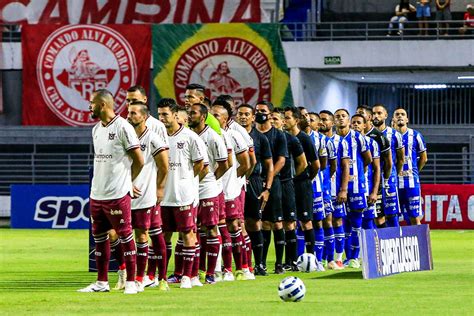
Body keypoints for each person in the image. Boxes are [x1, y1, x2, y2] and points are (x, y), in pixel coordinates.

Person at [78, 89, 144, 294]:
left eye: (92, 103)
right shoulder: (96, 129)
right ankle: (101, 282)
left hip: (117, 194)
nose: (89, 106)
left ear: (103, 105)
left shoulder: (123, 127)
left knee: (125, 236)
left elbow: (139, 160)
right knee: (99, 238)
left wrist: (129, 181)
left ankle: (132, 282)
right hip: (97, 194)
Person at [157, 98, 206, 289]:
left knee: (187, 234)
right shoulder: (157, 136)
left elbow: (200, 164)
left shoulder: (190, 137)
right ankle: (161, 276)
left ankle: (188, 275)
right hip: (163, 197)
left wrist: (186, 180)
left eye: (165, 114)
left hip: (183, 195)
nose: (161, 118)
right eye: (159, 114)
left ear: (175, 115)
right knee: (163, 236)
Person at [126, 102, 169, 292]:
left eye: (133, 113)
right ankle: (126, 275)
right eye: (128, 112)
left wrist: (159, 189)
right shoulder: (124, 135)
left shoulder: (153, 138)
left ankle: (140, 278)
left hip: (144, 194)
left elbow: (164, 166)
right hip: (124, 192)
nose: (129, 115)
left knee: (142, 234)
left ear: (144, 117)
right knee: (120, 235)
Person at [211, 100, 253, 281]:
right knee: (218, 228)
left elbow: (247, 163)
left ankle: (243, 267)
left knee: (234, 227)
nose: (211, 118)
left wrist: (234, 181)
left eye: (216, 116)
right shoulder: (207, 135)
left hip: (230, 190)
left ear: (226, 119)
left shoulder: (233, 135)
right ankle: (223, 269)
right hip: (214, 190)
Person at [189, 103, 230, 284]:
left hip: (208, 189)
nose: (190, 116)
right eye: (189, 113)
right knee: (194, 230)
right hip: (190, 188)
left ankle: (211, 273)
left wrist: (212, 179)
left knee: (211, 228)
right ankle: (197, 270)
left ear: (203, 117)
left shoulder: (213, 137)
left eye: (193, 113)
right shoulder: (188, 135)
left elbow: (225, 164)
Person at [237, 103, 273, 276]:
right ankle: (241, 264)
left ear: (252, 117)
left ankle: (259, 263)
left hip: (255, 182)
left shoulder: (260, 138)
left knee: (254, 223)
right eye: (240, 114)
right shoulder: (232, 134)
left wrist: (267, 189)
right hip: (236, 181)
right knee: (236, 223)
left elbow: (269, 165)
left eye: (246, 114)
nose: (243, 117)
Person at [334, 109, 372, 269]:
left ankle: (354, 257)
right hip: (336, 186)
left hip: (356, 185)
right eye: (337, 117)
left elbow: (368, 159)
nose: (340, 119)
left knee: (356, 221)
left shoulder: (359, 138)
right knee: (339, 221)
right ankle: (339, 256)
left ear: (348, 120)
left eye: (343, 116)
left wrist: (358, 175)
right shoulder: (332, 139)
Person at [254, 101, 288, 274]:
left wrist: (269, 177)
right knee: (263, 223)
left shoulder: (278, 135)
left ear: (270, 113)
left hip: (273, 184)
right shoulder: (251, 134)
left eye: (263, 111)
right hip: (254, 182)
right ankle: (261, 263)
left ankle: (279, 263)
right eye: (257, 110)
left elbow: (281, 159)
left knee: (277, 222)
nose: (260, 113)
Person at [273, 109, 308, 271]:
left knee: (289, 223)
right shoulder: (267, 137)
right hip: (272, 184)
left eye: (277, 119)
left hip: (286, 184)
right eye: (271, 118)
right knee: (273, 223)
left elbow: (303, 163)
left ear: (283, 122)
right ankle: (278, 263)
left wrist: (292, 177)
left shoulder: (291, 139)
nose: (273, 122)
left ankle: (291, 261)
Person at [284, 107, 319, 267]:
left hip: (302, 184)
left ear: (296, 121)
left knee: (306, 222)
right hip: (289, 184)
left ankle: (311, 259)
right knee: (289, 221)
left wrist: (303, 178)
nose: (285, 121)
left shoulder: (304, 138)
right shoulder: (284, 138)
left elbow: (316, 165)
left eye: (288, 118)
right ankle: (290, 261)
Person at [356, 105, 396, 228]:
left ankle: (380, 245)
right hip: (357, 183)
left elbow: (388, 163)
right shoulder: (354, 136)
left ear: (369, 117)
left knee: (379, 217)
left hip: (374, 182)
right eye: (357, 113)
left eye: (361, 113)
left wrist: (384, 180)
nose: (358, 115)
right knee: (358, 217)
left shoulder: (379, 137)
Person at [319, 110, 346, 268]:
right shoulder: (315, 139)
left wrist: (343, 189)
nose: (322, 122)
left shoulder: (340, 141)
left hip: (334, 189)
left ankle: (337, 258)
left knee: (336, 221)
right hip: (319, 189)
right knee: (320, 222)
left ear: (332, 123)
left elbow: (344, 167)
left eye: (325, 120)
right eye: (320, 119)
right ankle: (321, 258)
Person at [393, 107, 428, 225]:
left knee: (414, 217)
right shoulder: (389, 136)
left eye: (402, 114)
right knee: (392, 217)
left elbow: (424, 158)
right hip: (393, 183)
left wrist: (414, 171)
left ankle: (419, 243)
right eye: (397, 114)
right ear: (393, 118)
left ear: (407, 119)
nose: (400, 116)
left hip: (411, 183)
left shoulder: (416, 135)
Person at [372, 104, 405, 228]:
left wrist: (392, 174)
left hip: (389, 179)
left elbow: (401, 159)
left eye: (379, 113)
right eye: (374, 113)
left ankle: (395, 241)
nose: (376, 116)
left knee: (391, 213)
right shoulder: (367, 134)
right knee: (374, 213)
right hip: (372, 178)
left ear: (386, 115)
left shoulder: (395, 135)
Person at [351, 114, 381, 230]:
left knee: (368, 221)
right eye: (353, 123)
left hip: (367, 188)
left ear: (365, 125)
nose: (356, 125)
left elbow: (377, 168)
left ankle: (371, 248)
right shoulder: (344, 142)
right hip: (351, 188)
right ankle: (353, 248)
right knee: (350, 222)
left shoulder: (372, 143)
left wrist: (374, 192)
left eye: (359, 123)